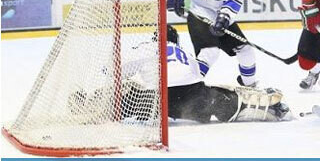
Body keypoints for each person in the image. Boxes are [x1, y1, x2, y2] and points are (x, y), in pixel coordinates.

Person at [68, 25, 291, 124]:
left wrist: (122, 80)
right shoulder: (183, 52)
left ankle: (89, 106)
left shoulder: (147, 46)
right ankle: (269, 108)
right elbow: (198, 75)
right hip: (193, 97)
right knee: (221, 99)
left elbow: (115, 70)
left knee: (126, 97)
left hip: (159, 101)